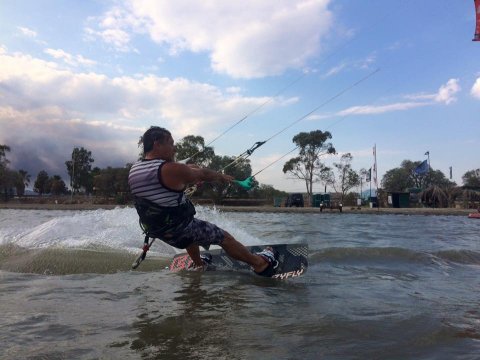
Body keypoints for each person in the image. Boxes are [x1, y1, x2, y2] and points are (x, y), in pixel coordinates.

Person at [128, 126, 277, 276]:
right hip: (179, 229)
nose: (174, 149)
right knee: (224, 237)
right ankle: (260, 264)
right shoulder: (168, 169)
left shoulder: (136, 169)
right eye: (171, 143)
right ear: (157, 144)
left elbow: (178, 174)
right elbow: (202, 173)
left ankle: (199, 265)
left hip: (158, 230)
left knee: (191, 235)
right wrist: (222, 177)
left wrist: (190, 174)